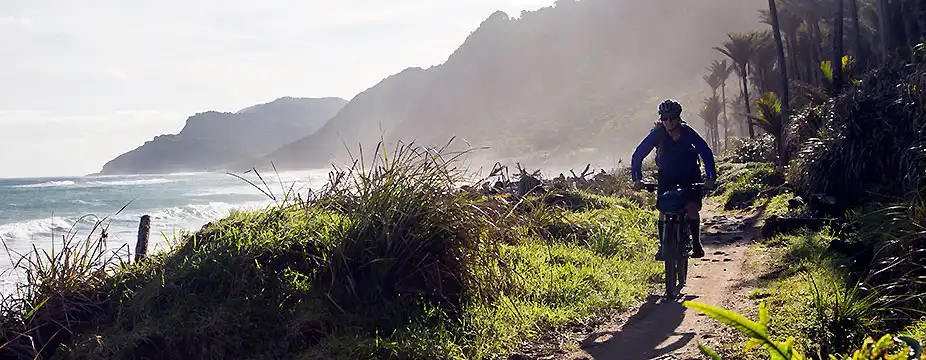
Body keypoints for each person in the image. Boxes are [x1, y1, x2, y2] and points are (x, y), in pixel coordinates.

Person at [630, 99, 717, 260]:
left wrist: (710, 177)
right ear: (661, 119)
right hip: (667, 175)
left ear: (678, 118)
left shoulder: (687, 132)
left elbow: (705, 152)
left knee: (692, 208)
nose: (668, 122)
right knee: (663, 211)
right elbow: (638, 154)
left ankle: (696, 244)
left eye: (672, 118)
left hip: (690, 174)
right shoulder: (657, 133)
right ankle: (663, 246)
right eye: (665, 118)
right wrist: (637, 178)